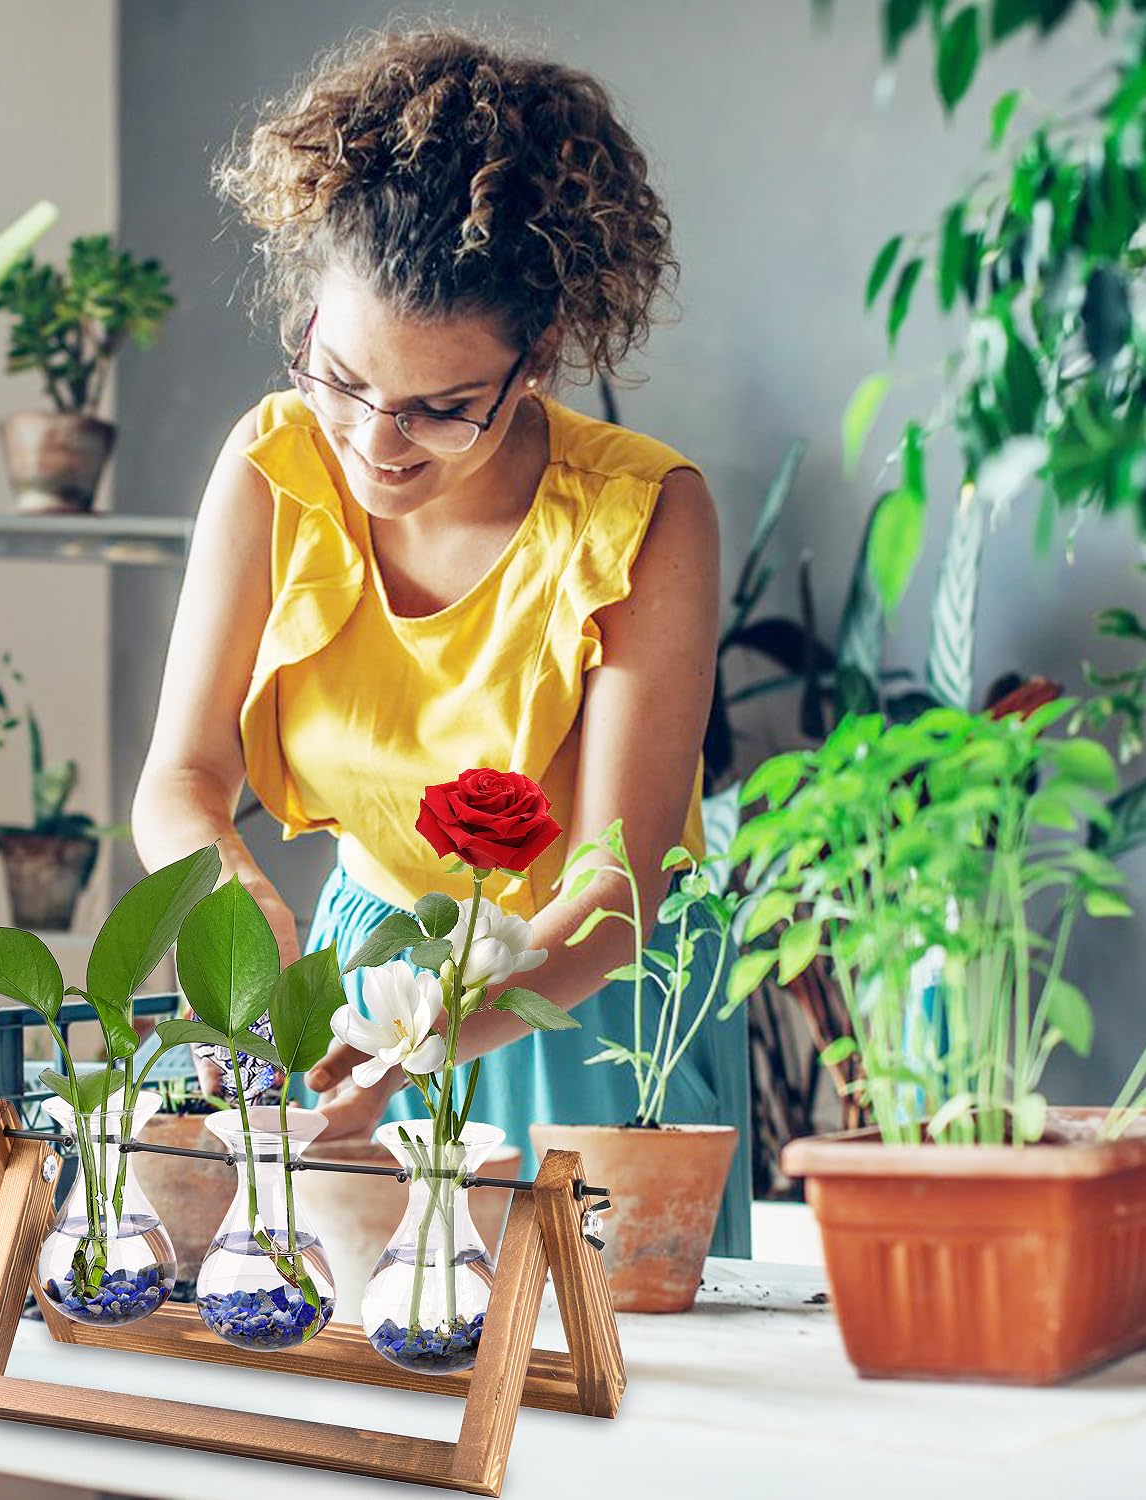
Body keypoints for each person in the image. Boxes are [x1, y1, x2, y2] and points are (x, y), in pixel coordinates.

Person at [133, 26, 749, 1255]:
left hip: (583, 1009)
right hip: (367, 979)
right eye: (341, 377)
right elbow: (182, 780)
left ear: (538, 361)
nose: (374, 444)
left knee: (598, 1352)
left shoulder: (642, 515)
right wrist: (229, 894)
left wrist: (418, 1045)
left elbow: (614, 895)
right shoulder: (272, 468)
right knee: (353, 1335)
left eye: (441, 409)